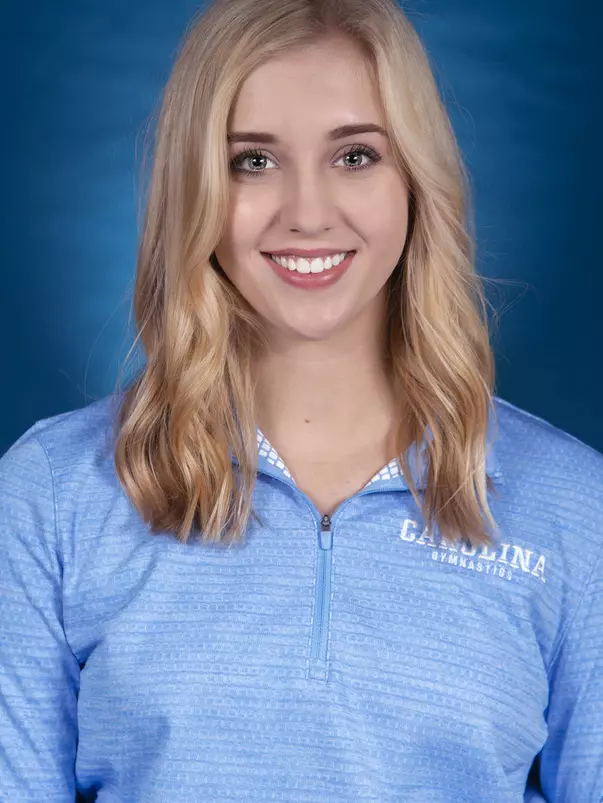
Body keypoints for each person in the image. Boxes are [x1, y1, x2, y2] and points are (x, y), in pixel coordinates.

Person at [0, 0, 601, 800]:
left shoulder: (571, 508)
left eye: (354, 156)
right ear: (195, 188)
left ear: (416, 179)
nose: (308, 214)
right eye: (253, 160)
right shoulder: (50, 493)